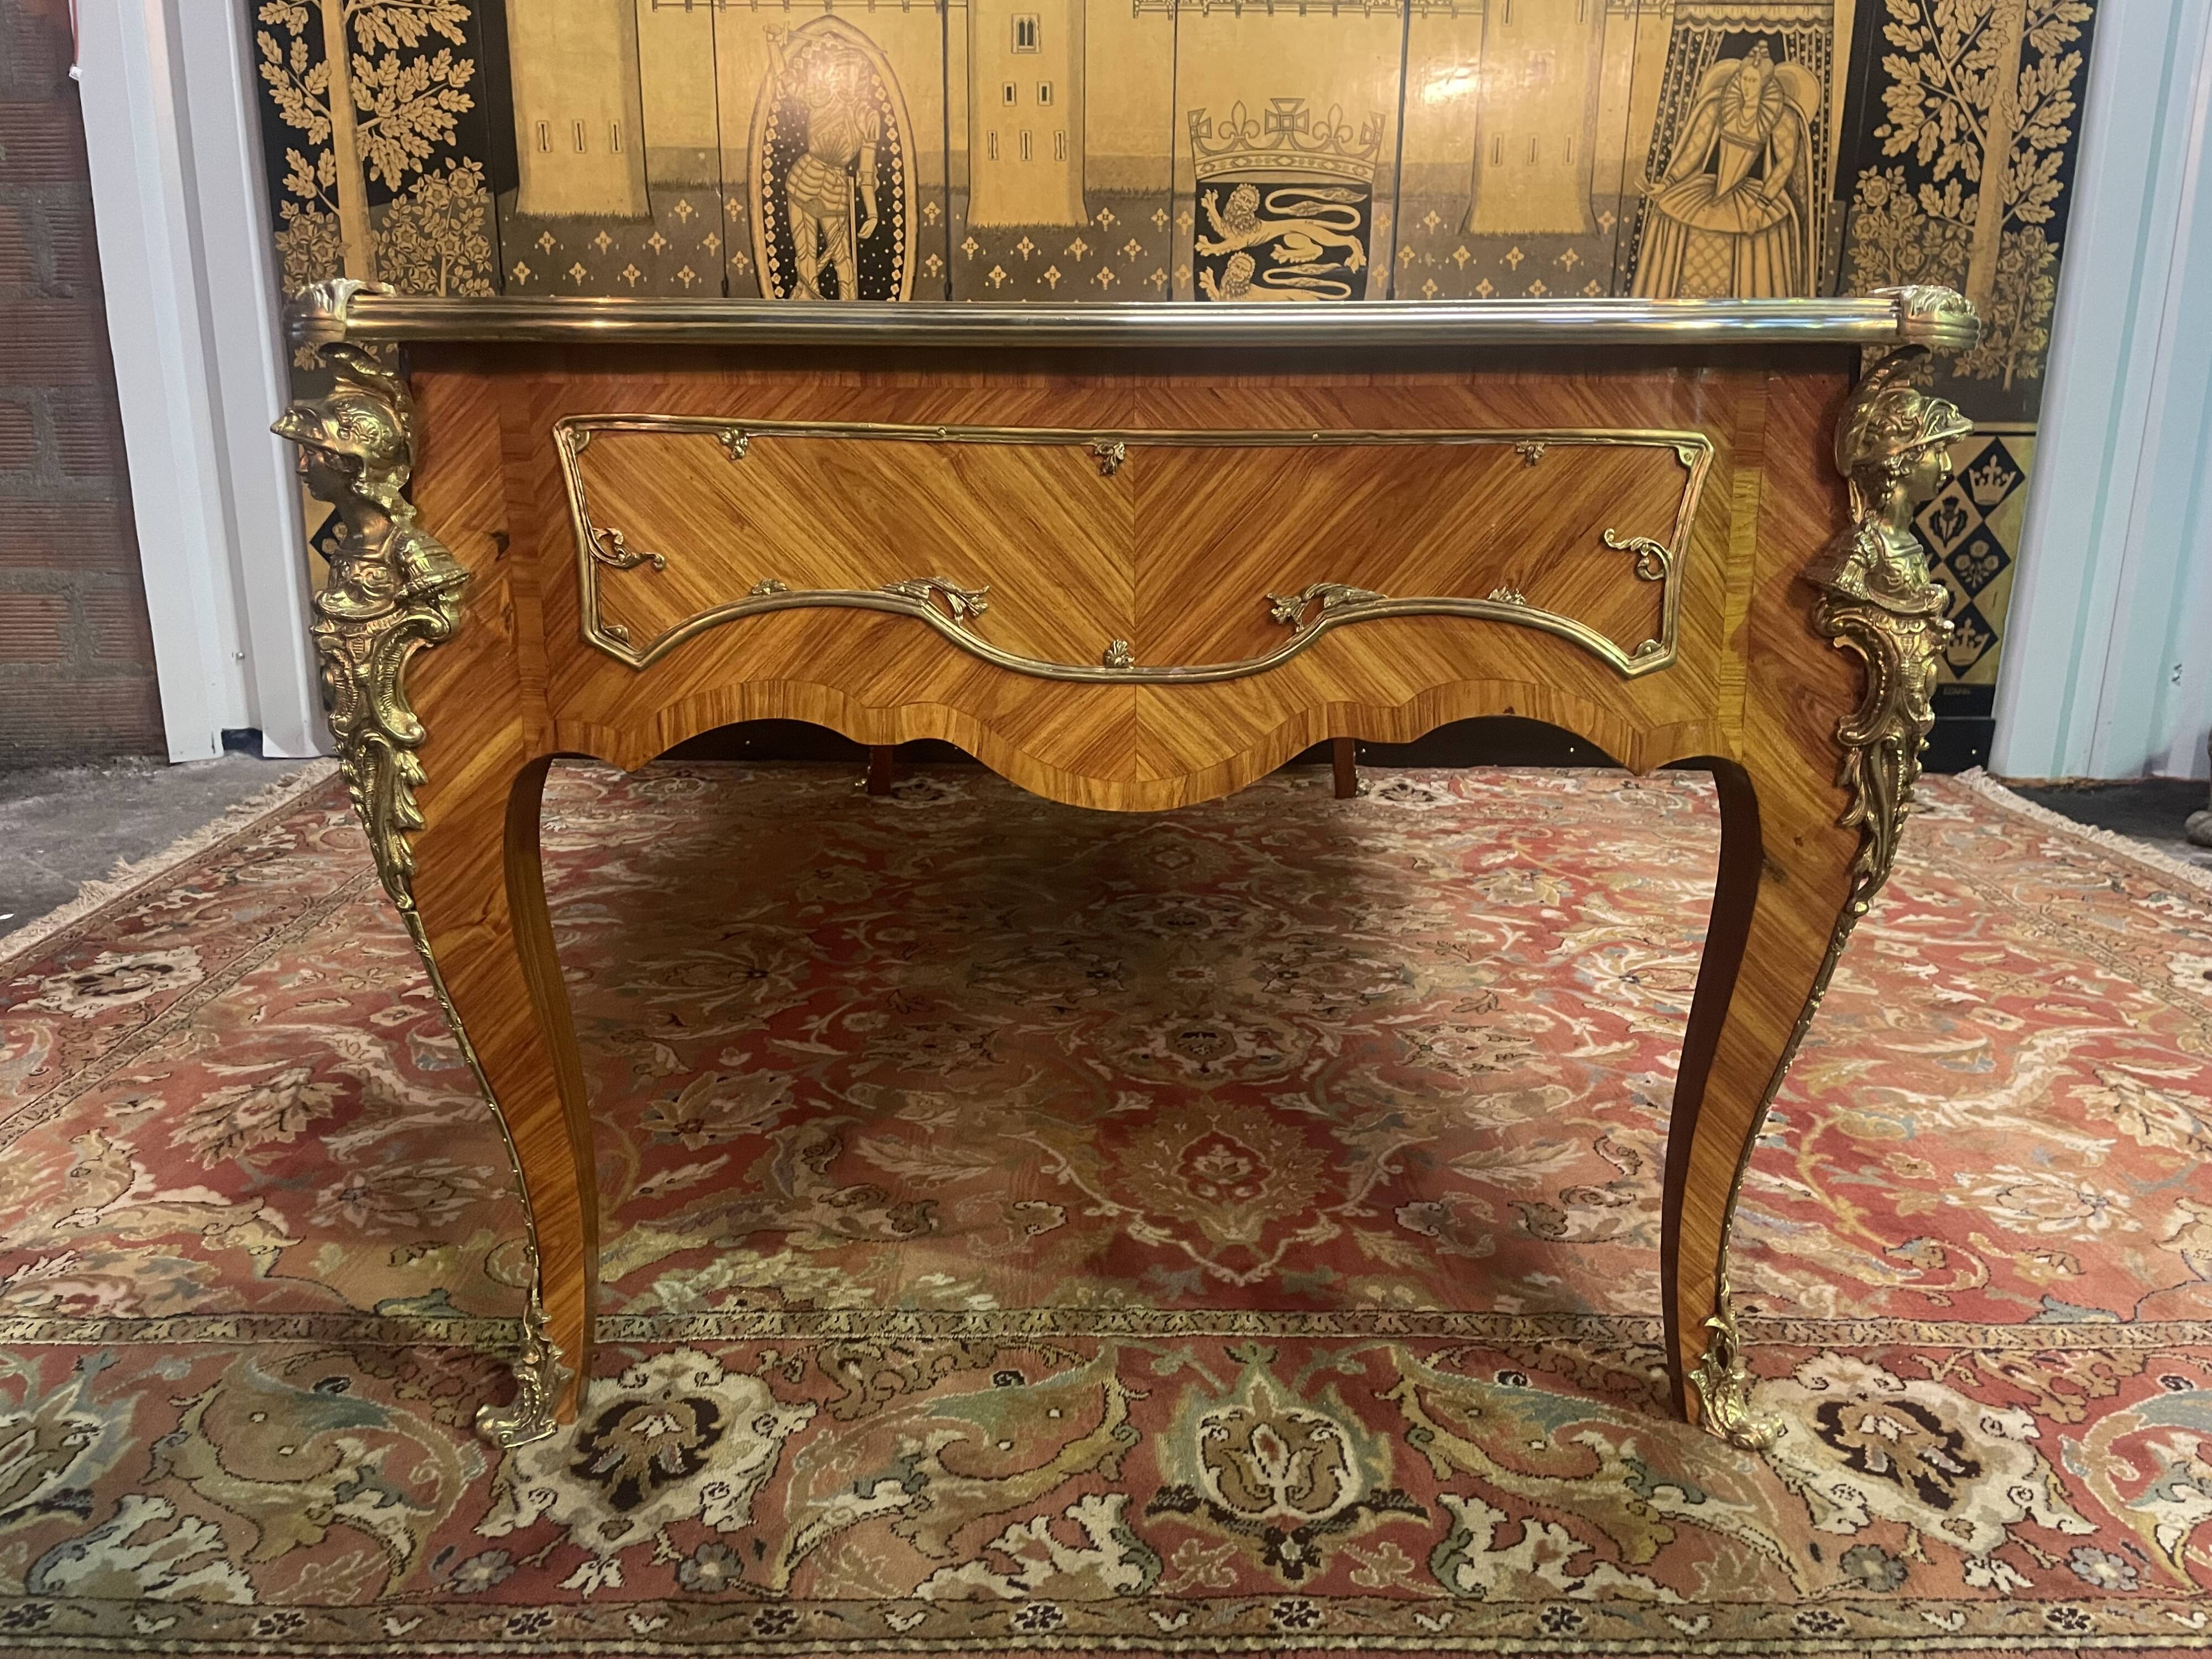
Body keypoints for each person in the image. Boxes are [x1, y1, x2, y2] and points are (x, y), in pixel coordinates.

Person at [1632, 43, 1819, 299]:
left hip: (1755, 196)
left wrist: (1762, 205)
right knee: (1670, 215)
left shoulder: (1781, 115)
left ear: (1765, 83)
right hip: (1710, 189)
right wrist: (1667, 184)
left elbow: (1785, 163)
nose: (1747, 85)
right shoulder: (1718, 106)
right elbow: (1693, 152)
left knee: (1752, 237)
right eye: (1744, 78)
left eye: (1753, 80)